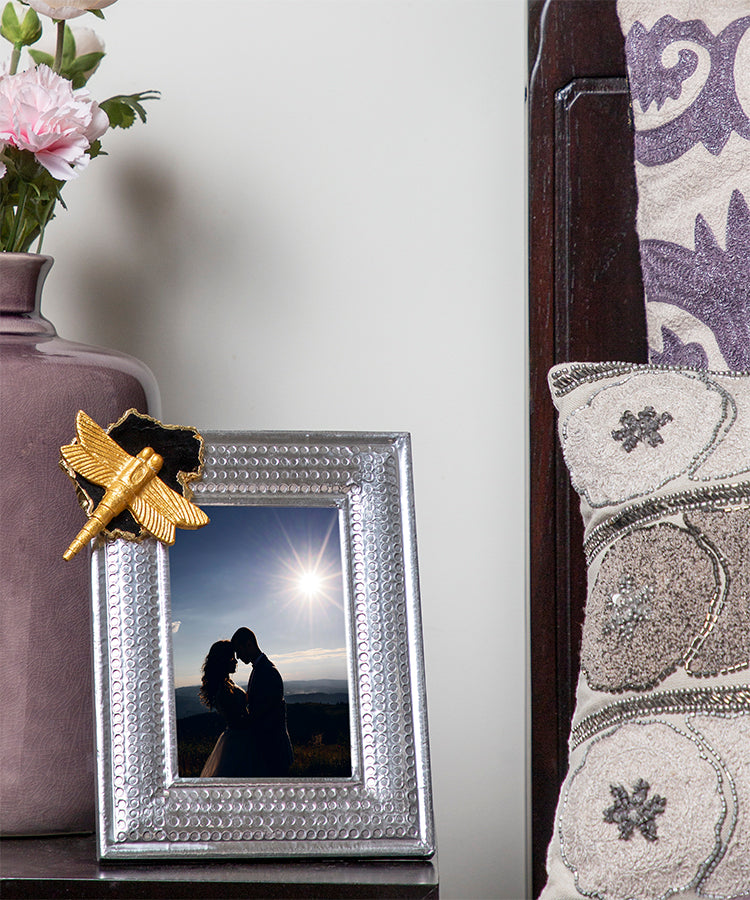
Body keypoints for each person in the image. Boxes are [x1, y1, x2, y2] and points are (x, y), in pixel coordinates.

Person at [231, 627, 294, 777]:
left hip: (274, 751)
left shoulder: (268, 671)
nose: (238, 657)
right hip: (269, 750)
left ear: (248, 644)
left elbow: (265, 713)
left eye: (238, 651)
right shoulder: (260, 669)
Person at [198, 640, 252, 777]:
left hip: (237, 738)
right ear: (223, 660)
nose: (235, 661)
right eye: (231, 657)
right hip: (240, 741)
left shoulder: (225, 685)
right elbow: (239, 720)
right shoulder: (224, 690)